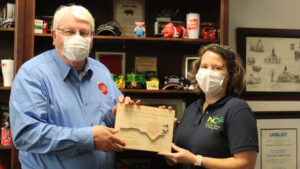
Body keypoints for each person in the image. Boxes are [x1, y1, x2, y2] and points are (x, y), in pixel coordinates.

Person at [9, 4, 139, 169]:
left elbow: (111, 121)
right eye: (70, 32)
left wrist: (122, 113)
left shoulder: (101, 71)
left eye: (84, 33)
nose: (78, 37)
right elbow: (26, 135)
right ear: (55, 36)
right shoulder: (33, 74)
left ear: (92, 38)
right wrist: (89, 139)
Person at [158, 44, 258, 169]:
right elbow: (174, 161)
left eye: (217, 68)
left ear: (231, 76)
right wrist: (166, 137)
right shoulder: (192, 108)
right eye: (204, 67)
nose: (208, 72)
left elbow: (246, 164)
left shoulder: (238, 109)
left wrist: (197, 160)